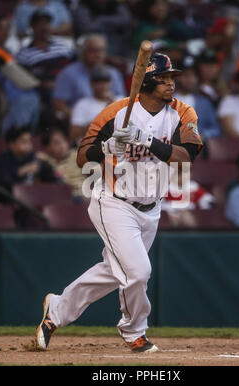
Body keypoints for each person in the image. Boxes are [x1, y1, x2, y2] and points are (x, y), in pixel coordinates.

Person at [36, 52, 203, 352]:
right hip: (113, 201)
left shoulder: (183, 112)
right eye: (163, 79)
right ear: (147, 81)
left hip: (152, 208)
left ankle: (56, 310)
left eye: (171, 79)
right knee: (138, 272)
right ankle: (134, 332)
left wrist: (147, 140)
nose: (170, 85)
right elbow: (81, 156)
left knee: (115, 272)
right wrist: (107, 147)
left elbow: (187, 155)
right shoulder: (116, 112)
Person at [53, 34, 126, 123]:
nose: (98, 54)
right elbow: (59, 104)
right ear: (83, 52)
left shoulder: (113, 73)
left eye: (101, 50)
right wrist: (79, 119)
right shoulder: (68, 73)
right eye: (93, 51)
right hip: (79, 123)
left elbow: (122, 102)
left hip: (110, 123)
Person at [16, 10, 75, 105]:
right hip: (46, 90)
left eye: (46, 24)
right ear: (32, 26)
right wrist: (46, 84)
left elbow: (75, 68)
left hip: (69, 85)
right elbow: (26, 79)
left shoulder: (63, 46)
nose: (44, 28)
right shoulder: (24, 54)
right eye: (40, 24)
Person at [70, 66, 123, 143]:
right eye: (98, 82)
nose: (102, 85)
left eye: (105, 81)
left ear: (110, 83)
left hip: (119, 147)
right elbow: (74, 135)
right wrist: (102, 117)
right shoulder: (82, 104)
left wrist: (114, 106)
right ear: (91, 84)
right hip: (93, 147)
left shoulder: (121, 101)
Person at [0, 127, 59, 192]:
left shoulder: (34, 157)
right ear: (12, 144)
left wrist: (49, 161)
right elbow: (3, 182)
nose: (28, 144)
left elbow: (53, 179)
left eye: (29, 141)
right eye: (24, 141)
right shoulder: (4, 158)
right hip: (11, 197)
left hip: (33, 195)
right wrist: (22, 171)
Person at [174, 55, 222, 139]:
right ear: (176, 77)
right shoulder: (164, 100)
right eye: (185, 75)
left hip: (198, 148)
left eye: (193, 75)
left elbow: (216, 129)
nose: (190, 79)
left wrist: (202, 135)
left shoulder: (204, 102)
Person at [41, 127, 85, 199]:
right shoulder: (47, 164)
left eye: (63, 140)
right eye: (56, 143)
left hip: (87, 193)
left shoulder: (76, 154)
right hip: (69, 196)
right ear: (47, 147)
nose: (62, 145)